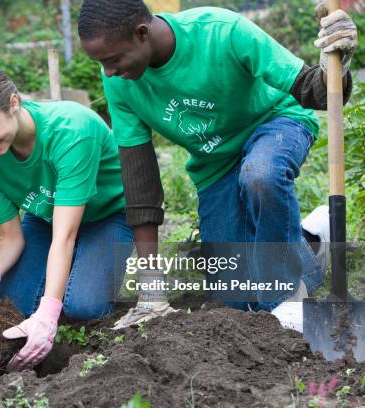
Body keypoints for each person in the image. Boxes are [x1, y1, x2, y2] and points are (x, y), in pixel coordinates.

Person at [77, 0, 358, 331]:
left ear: (141, 33)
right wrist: (151, 284)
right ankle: (309, 240)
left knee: (260, 175)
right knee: (234, 299)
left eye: (112, 60)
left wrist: (335, 63)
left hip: (275, 123)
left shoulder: (222, 32)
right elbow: (140, 182)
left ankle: (286, 299)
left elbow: (314, 91)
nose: (108, 72)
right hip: (216, 163)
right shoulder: (119, 81)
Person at [0, 64, 134, 371]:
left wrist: (48, 313)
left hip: (106, 216)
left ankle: (106, 263)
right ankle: (71, 273)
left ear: (13, 103)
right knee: (9, 301)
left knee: (84, 306)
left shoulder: (70, 131)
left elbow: (65, 237)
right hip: (45, 219)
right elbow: (9, 236)